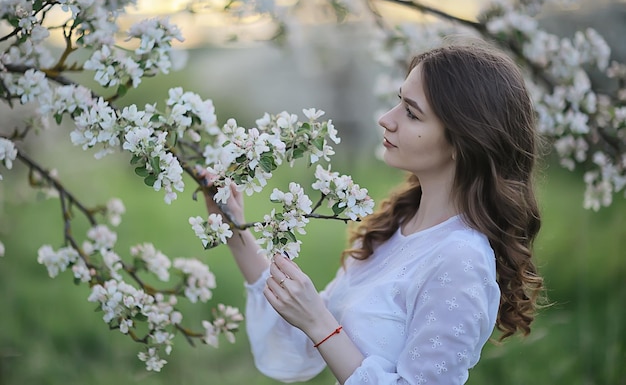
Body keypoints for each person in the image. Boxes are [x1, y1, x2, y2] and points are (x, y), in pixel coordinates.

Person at [203, 42, 544, 385]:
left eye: (411, 113)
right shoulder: (396, 226)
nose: (386, 119)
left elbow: (321, 328)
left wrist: (319, 321)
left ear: (462, 141)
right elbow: (299, 345)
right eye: (398, 101)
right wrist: (234, 230)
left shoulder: (460, 260)